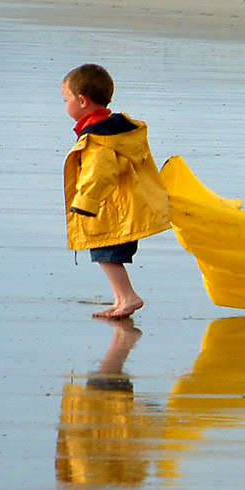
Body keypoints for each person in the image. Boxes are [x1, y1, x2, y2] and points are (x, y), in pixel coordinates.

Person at [61, 64, 171, 318]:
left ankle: (128, 297)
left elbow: (99, 172)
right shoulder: (114, 129)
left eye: (66, 100)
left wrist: (85, 202)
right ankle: (122, 299)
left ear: (82, 101)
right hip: (124, 206)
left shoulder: (98, 138)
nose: (65, 106)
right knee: (107, 255)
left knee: (106, 254)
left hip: (112, 209)